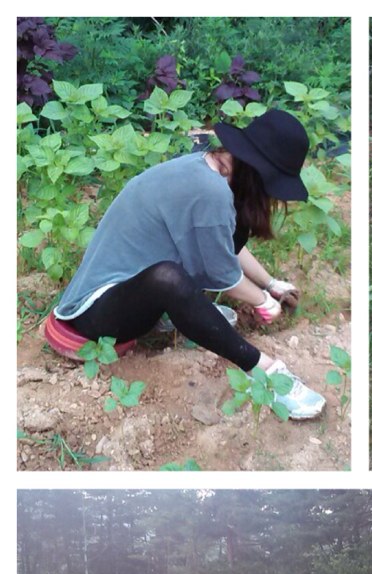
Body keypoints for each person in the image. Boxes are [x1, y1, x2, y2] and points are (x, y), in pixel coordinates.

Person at [48, 109, 325, 420]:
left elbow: (224, 246)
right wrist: (263, 302)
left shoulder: (204, 168)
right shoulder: (211, 192)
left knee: (175, 276)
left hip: (123, 292)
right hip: (94, 312)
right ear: (259, 172)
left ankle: (184, 314)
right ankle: (266, 371)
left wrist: (271, 283)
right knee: (169, 279)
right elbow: (224, 276)